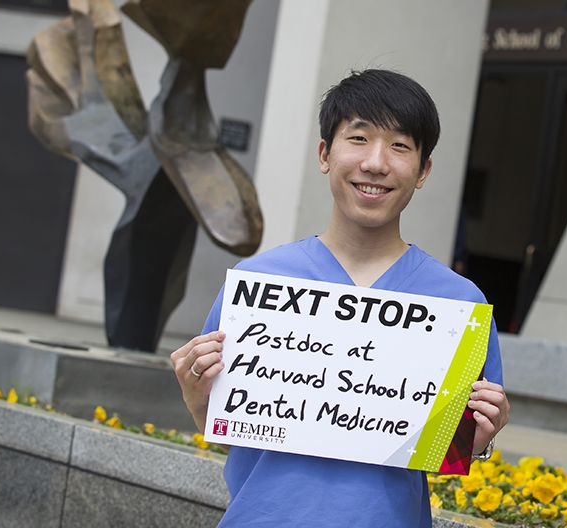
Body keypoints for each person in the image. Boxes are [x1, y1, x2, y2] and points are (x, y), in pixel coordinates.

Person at [169, 69, 510, 527]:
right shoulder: (258, 283)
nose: (375, 162)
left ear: (424, 170)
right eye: (359, 138)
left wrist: (481, 436)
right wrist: (197, 401)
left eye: (400, 146)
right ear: (325, 154)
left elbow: (447, 451)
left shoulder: (458, 306)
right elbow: (236, 431)